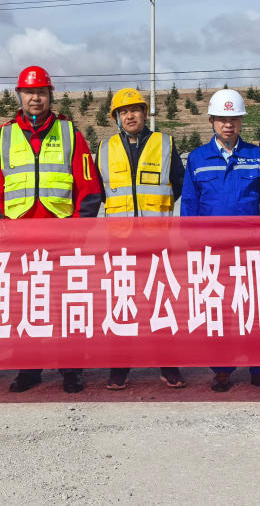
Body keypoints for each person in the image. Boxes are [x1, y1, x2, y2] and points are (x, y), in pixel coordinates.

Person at [0, 66, 104, 394]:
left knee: (67, 304)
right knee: (25, 305)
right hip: (20, 243)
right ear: (19, 96)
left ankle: (71, 369)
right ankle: (29, 368)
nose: (35, 98)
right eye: (29, 92)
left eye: (41, 92)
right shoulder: (3, 137)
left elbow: (89, 190)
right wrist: (2, 231)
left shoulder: (70, 134)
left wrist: (77, 233)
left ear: (50, 95)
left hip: (63, 242)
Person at [182, 89, 260, 394]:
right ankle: (222, 370)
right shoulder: (198, 158)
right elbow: (189, 206)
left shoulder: (257, 156)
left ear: (241, 122)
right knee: (219, 312)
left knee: (257, 310)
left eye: (234, 119)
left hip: (253, 252)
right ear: (211, 121)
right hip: (214, 253)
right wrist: (193, 247)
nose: (228, 125)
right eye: (222, 119)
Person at [97, 87, 186, 390]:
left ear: (145, 113)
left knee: (161, 303)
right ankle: (119, 367)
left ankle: (168, 365)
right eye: (123, 112)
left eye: (135, 110)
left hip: (157, 241)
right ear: (116, 118)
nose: (130, 116)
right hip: (120, 243)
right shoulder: (105, 149)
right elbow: (99, 192)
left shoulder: (164, 144)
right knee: (122, 304)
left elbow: (179, 184)